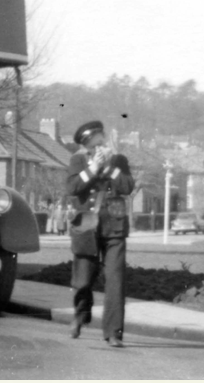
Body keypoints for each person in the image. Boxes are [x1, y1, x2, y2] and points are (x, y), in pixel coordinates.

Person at [66, 120, 135, 348]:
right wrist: (92, 169)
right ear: (85, 145)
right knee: (83, 280)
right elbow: (72, 188)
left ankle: (113, 332)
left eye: (99, 140)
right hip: (87, 225)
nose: (97, 146)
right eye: (91, 144)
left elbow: (127, 187)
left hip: (114, 226)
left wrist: (110, 169)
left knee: (115, 281)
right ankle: (80, 314)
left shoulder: (119, 161)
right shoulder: (78, 160)